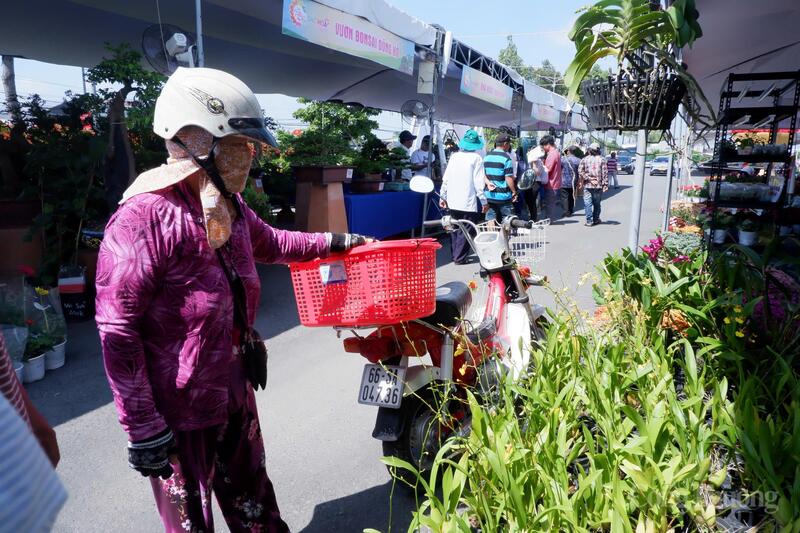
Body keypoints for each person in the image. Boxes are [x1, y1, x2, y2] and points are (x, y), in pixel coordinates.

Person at [95, 67, 370, 532]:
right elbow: (117, 328)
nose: (246, 157)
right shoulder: (144, 216)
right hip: (177, 408)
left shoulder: (226, 205)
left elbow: (275, 244)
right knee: (191, 522)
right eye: (235, 146)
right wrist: (142, 424)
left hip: (233, 385)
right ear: (195, 141)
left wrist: (339, 240)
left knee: (253, 502)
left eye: (248, 147)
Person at [439, 129, 488, 264]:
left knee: (454, 228)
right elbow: (479, 183)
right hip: (467, 200)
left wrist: (442, 197)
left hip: (452, 199)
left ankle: (455, 255)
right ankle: (459, 257)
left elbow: (446, 179)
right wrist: (484, 201)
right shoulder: (477, 158)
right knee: (467, 228)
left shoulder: (454, 156)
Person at [483, 133, 518, 222]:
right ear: (505, 144)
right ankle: (505, 236)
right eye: (509, 144)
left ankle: (492, 236)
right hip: (503, 195)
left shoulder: (487, 156)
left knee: (490, 219)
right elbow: (508, 178)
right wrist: (514, 192)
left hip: (489, 195)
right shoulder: (506, 158)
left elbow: (483, 175)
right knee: (507, 220)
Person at [578, 142, 609, 227]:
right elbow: (605, 173)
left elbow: (580, 171)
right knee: (597, 203)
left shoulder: (584, 159)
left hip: (587, 185)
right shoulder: (602, 159)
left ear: (590, 150)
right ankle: (595, 219)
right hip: (598, 186)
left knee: (587, 203)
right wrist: (605, 185)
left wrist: (588, 178)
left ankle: (589, 221)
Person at [539, 135, 563, 220]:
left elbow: (547, 169)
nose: (543, 148)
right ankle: (549, 219)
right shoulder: (556, 153)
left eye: (544, 146)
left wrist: (540, 167)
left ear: (548, 144)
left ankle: (548, 220)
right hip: (555, 182)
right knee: (551, 204)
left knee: (549, 204)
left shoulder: (552, 154)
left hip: (551, 184)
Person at [560, 147, 581, 217]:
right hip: (574, 181)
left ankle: (566, 211)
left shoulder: (563, 159)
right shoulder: (578, 160)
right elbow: (580, 172)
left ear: (568, 151)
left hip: (564, 181)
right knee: (572, 196)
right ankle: (570, 210)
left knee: (564, 197)